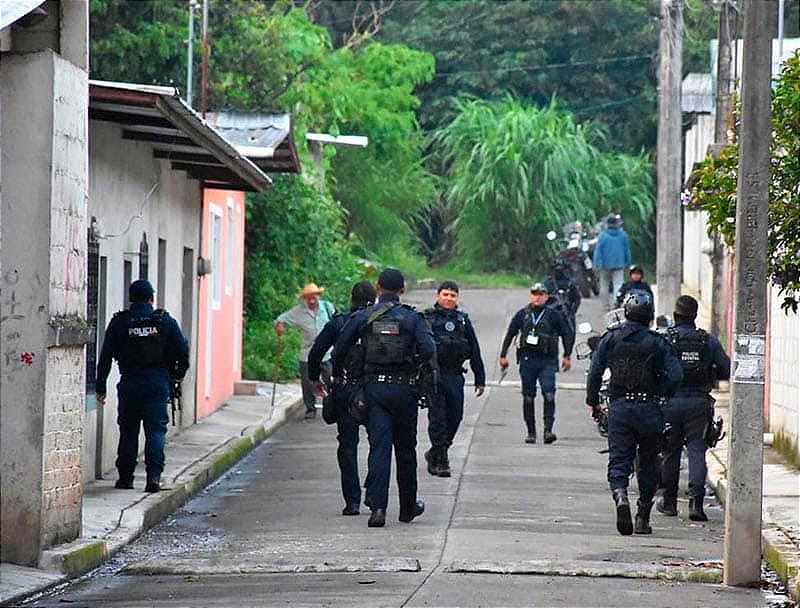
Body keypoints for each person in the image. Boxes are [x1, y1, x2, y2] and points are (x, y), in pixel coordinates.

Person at [334, 268, 436, 528]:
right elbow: (429, 348)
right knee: (406, 449)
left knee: (379, 448)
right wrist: (411, 364)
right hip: (405, 391)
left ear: (378, 287)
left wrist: (342, 375)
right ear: (402, 289)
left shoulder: (365, 316)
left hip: (374, 391)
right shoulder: (412, 318)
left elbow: (340, 348)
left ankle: (378, 509)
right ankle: (408, 506)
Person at [586, 291, 683, 536]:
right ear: (650, 316)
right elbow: (676, 376)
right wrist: (662, 393)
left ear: (626, 312)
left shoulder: (610, 338)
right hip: (649, 409)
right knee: (649, 463)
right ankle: (642, 517)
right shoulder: (658, 342)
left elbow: (595, 372)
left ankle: (620, 496)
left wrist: (593, 402)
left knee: (619, 459)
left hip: (619, 408)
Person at [96, 280, 190, 493]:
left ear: (130, 298)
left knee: (128, 431)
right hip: (157, 383)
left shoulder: (120, 322)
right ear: (151, 298)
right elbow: (183, 349)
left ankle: (126, 478)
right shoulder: (164, 321)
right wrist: (177, 375)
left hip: (130, 382)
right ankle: (153, 478)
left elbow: (105, 356)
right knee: (155, 431)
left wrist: (101, 386)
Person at [657, 295, 730, 522]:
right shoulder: (708, 341)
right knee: (698, 451)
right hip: (699, 403)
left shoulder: (665, 339)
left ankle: (669, 502)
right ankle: (696, 504)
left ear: (676, 316)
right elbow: (727, 370)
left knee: (671, 452)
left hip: (670, 402)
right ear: (695, 316)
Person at [308, 281, 377, 516]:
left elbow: (316, 352)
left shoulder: (338, 322)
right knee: (378, 442)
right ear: (374, 299)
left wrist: (314, 379)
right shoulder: (376, 321)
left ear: (351, 298)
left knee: (347, 447)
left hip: (345, 389)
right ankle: (373, 490)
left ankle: (352, 501)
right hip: (372, 389)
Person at [421, 281, 486, 477]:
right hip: (433, 375)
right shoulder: (426, 318)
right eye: (445, 295)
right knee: (438, 418)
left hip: (455, 375)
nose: (449, 298)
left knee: (455, 417)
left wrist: (480, 378)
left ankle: (435, 451)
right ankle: (441, 460)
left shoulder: (462, 320)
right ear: (438, 296)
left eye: (453, 295)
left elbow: (474, 350)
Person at [499, 282, 574, 445]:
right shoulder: (523, 314)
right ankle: (531, 432)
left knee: (549, 394)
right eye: (534, 294)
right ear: (530, 295)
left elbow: (567, 334)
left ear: (546, 296)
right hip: (527, 360)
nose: (537, 297)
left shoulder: (554, 315)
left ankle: (548, 430)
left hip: (547, 360)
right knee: (528, 397)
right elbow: (511, 333)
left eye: (541, 294)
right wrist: (503, 355)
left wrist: (567, 356)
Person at [275, 283, 336, 419]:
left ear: (318, 296)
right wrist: (280, 325)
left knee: (330, 379)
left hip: (326, 353)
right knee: (308, 383)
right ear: (305, 298)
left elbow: (337, 322)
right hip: (307, 353)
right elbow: (281, 319)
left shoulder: (327, 307)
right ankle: (310, 409)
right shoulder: (298, 311)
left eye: (313, 296)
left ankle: (331, 406)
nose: (311, 300)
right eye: (308, 297)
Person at [593, 213, 631, 309]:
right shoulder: (623, 235)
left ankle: (605, 305)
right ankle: (616, 303)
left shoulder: (602, 236)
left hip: (604, 265)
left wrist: (596, 263)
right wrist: (628, 263)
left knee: (604, 284)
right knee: (618, 283)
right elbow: (627, 250)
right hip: (619, 263)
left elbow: (598, 251)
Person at [543, 259, 581, 330]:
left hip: (566, 313)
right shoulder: (547, 283)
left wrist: (572, 312)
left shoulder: (569, 283)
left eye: (560, 269)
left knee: (570, 333)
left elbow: (577, 299)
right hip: (549, 313)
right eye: (556, 269)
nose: (558, 271)